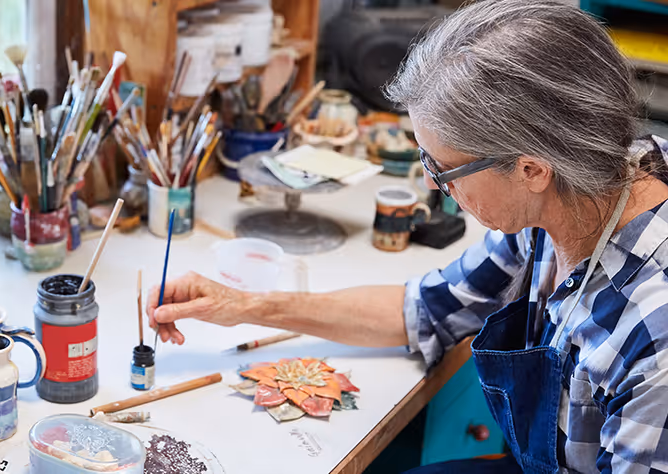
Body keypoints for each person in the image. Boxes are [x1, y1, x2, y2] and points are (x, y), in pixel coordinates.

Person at [147, 1, 668, 472]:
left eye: (442, 170)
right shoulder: (570, 195)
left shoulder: (652, 330)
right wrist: (243, 303)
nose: (428, 185)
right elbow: (423, 308)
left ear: (532, 169)